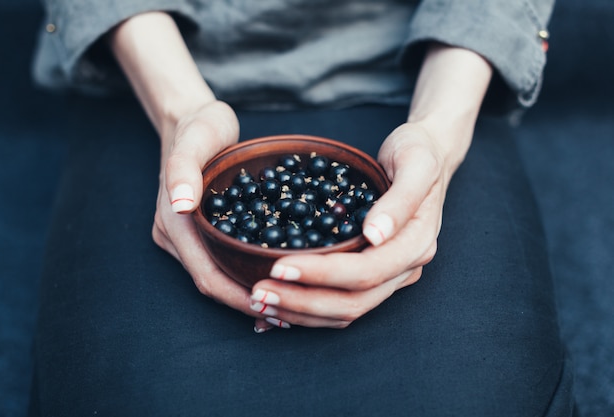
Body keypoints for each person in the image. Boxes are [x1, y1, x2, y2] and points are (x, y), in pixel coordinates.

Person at [28, 1, 575, 416]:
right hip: (155, 61)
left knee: (484, 394)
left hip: (420, 72)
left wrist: (438, 132)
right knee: (118, 395)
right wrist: (179, 113)